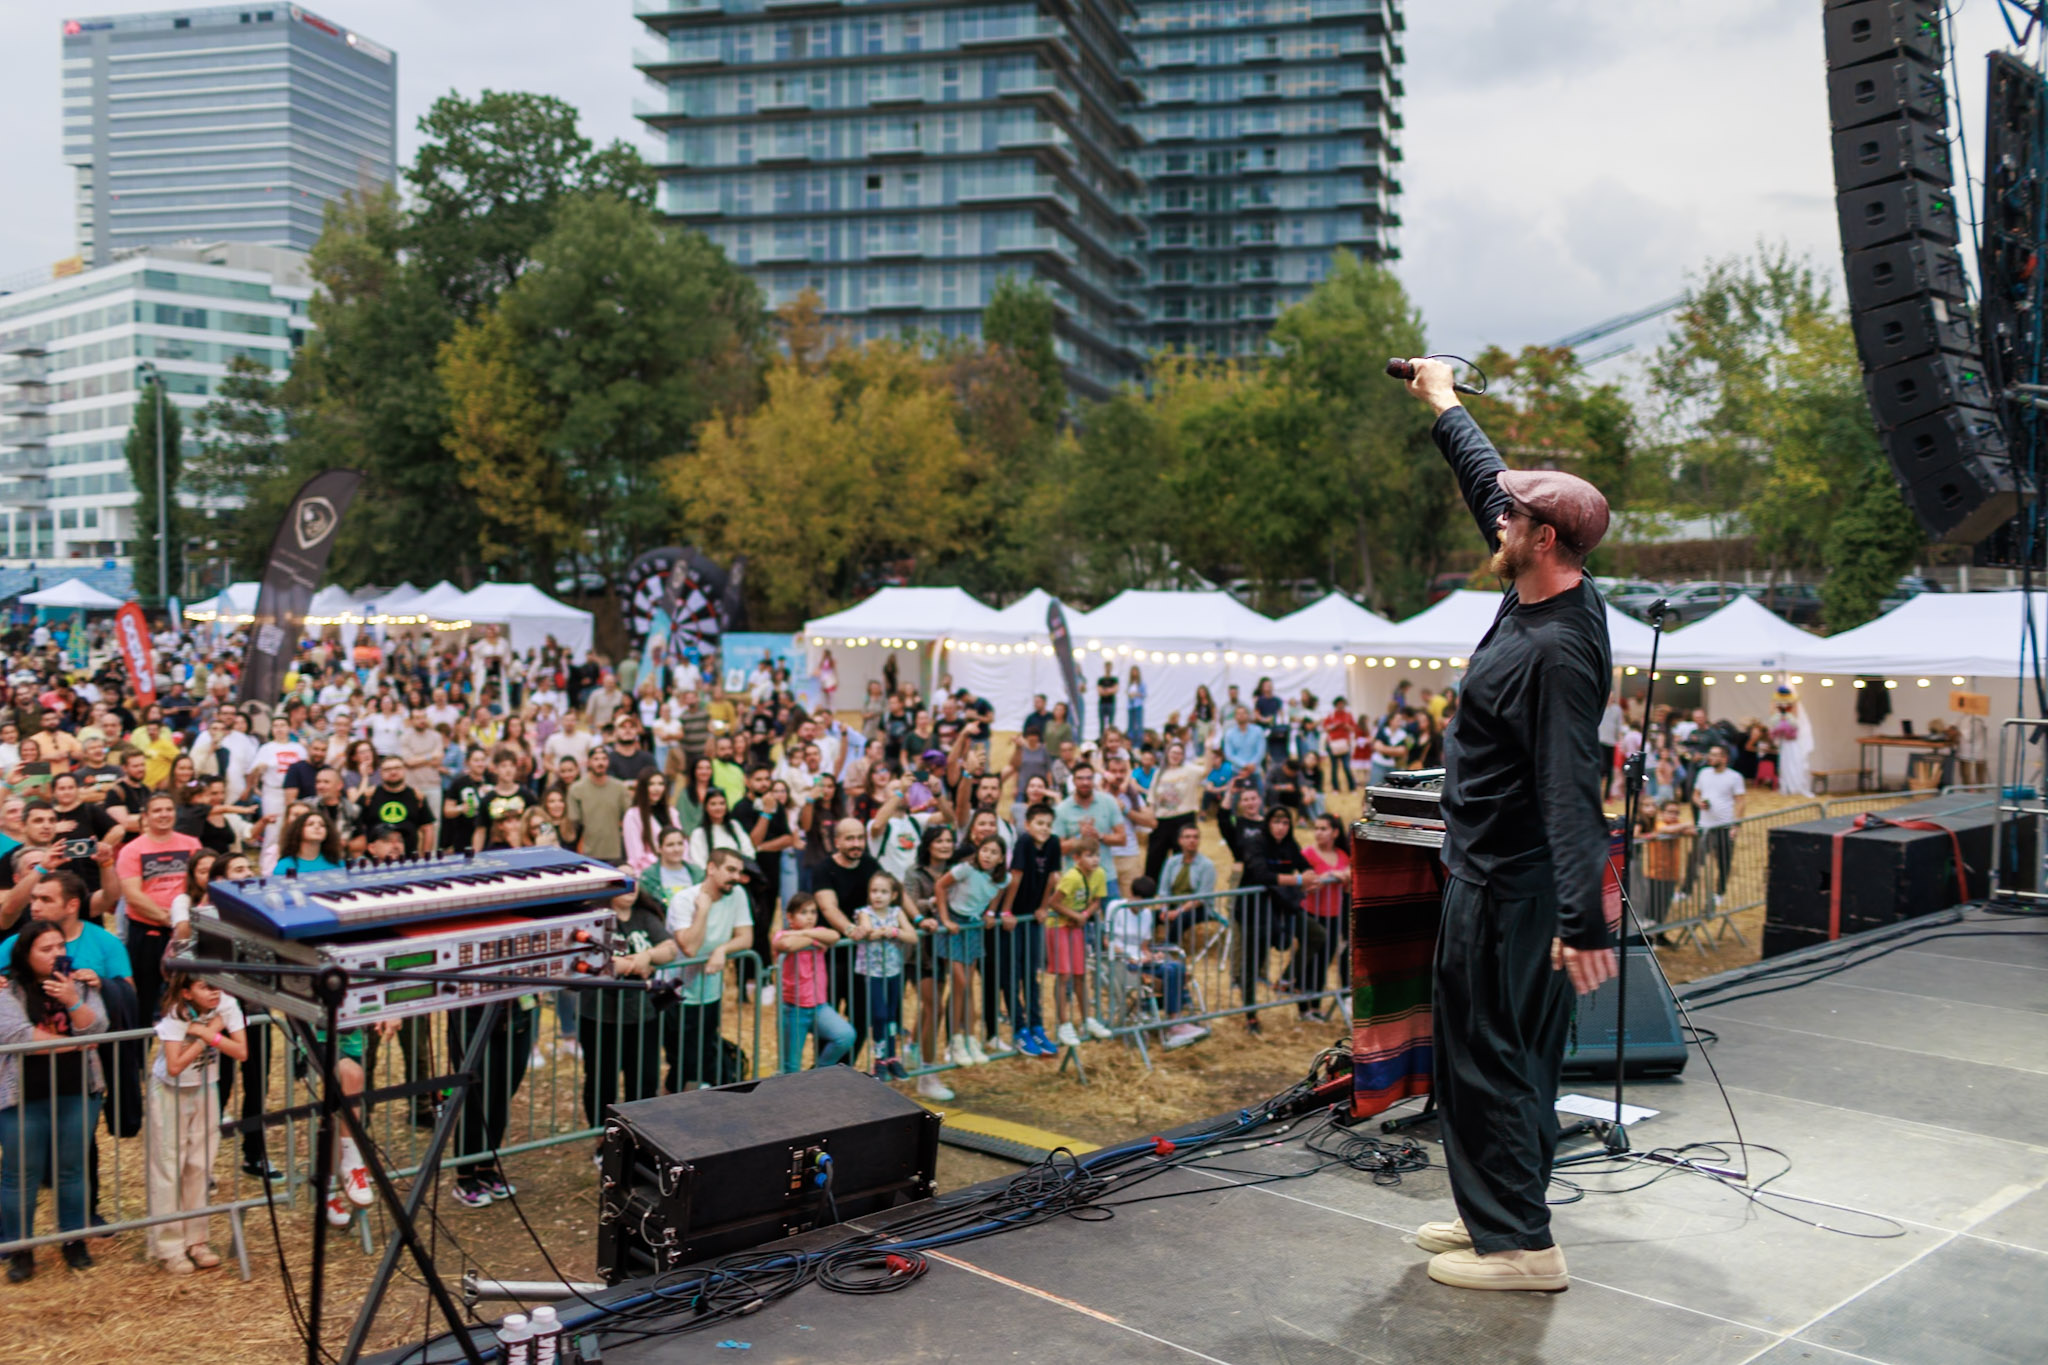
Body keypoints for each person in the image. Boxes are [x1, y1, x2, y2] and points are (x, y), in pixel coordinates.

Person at [1397, 357, 1618, 1293]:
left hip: (1515, 890)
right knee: (1482, 1057)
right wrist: (1443, 401)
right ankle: (1492, 1207)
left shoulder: (1558, 651)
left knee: (1497, 1060)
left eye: (1513, 517)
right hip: (1487, 874)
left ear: (1544, 537)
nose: (1498, 518)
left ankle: (1525, 1247)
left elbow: (1572, 789)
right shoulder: (1542, 587)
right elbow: (1486, 479)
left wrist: (1580, 921)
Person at [0, 920, 108, 1280]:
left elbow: (99, 1027)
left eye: (60, 946)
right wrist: (76, 1043)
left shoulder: (80, 984)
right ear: (25, 954)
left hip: (77, 1091)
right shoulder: (7, 988)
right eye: (46, 949)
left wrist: (72, 1000)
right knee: (20, 1174)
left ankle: (73, 1241)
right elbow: (18, 1036)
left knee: (72, 1170)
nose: (56, 954)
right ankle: (20, 1249)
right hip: (22, 1097)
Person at [146, 970, 248, 1272]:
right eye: (206, 987)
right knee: (169, 1166)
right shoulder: (176, 1012)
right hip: (170, 1091)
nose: (214, 992)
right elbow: (174, 1065)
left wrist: (208, 1034)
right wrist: (207, 1039)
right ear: (187, 992)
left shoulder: (226, 1004)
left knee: (200, 1164)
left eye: (217, 985)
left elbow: (241, 1051)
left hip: (206, 1086)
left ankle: (197, 1240)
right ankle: (169, 1247)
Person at [577, 887, 678, 1153]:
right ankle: (604, 1142)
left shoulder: (644, 916)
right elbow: (581, 956)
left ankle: (640, 1141)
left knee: (644, 1079)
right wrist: (620, 965)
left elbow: (669, 948)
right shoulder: (594, 918)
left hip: (642, 1014)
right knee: (602, 1081)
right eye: (623, 881)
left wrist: (647, 956)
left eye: (634, 881)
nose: (630, 888)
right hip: (600, 1015)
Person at [114, 793, 201, 1024]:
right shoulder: (132, 850)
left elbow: (200, 883)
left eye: (168, 809)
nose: (164, 814)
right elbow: (133, 895)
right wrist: (169, 919)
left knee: (190, 995)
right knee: (145, 998)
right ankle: (141, 1045)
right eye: (157, 810)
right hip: (148, 933)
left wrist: (183, 922)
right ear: (146, 816)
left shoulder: (192, 844)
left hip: (187, 931)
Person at [1105, 876, 1207, 1049]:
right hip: (1123, 961)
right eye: (1139, 901)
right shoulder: (1115, 908)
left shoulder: (1146, 914)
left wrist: (1153, 955)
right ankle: (1173, 1024)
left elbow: (1144, 946)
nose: (1141, 907)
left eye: (1145, 903)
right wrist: (1130, 956)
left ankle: (1174, 1021)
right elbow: (1108, 941)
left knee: (1177, 967)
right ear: (1131, 894)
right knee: (1172, 970)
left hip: (1141, 960)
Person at [935, 834, 1007, 1065]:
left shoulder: (1001, 879)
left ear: (1001, 858)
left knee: (968, 986)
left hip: (973, 926)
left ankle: (970, 1038)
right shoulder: (965, 869)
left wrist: (990, 913)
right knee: (960, 983)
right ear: (978, 852)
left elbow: (997, 895)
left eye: (994, 852)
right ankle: (954, 1040)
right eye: (985, 850)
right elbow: (940, 885)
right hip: (955, 924)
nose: (988, 856)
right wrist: (945, 919)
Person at [772, 893, 854, 1072]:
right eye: (803, 912)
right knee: (791, 1065)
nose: (810, 917)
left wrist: (803, 933)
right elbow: (787, 945)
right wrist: (814, 939)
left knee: (845, 1035)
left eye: (813, 912)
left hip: (819, 1006)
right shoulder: (782, 935)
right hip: (793, 1008)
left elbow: (834, 935)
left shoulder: (817, 932)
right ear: (790, 917)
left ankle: (819, 1071)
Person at [1045, 841, 1113, 1048]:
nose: (1095, 860)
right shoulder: (1072, 877)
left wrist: (1083, 915)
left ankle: (1087, 1019)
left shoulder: (1100, 874)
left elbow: (1097, 901)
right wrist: (1075, 915)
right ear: (1077, 858)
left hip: (1076, 926)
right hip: (1058, 926)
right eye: (1089, 855)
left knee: (1080, 974)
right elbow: (1053, 902)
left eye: (1097, 855)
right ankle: (1063, 1023)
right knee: (1064, 974)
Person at [854, 871, 916, 1080]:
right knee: (879, 1015)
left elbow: (912, 936)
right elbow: (868, 931)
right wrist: (883, 931)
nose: (878, 896)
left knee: (891, 1016)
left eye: (883, 892)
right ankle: (879, 1058)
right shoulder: (864, 912)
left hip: (893, 970)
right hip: (872, 972)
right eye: (874, 891)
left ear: (893, 895)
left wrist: (895, 932)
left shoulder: (897, 912)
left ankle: (892, 1057)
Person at [1295, 813, 1352, 1018]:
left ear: (1335, 833)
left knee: (1324, 962)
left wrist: (1345, 877)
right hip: (1311, 913)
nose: (1318, 833)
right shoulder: (1307, 854)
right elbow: (1302, 883)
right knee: (1309, 961)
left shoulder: (1343, 856)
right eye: (1316, 828)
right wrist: (1327, 877)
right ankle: (1303, 1007)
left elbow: (1348, 885)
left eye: (1323, 829)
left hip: (1333, 914)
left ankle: (1316, 1006)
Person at [1683, 743, 1745, 909]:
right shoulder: (1703, 773)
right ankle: (1685, 890)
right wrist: (1699, 802)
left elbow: (1740, 802)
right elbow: (1695, 794)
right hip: (1704, 825)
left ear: (1724, 758)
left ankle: (1719, 893)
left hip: (1724, 826)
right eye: (1710, 754)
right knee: (1695, 859)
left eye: (1715, 755)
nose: (1711, 757)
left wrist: (1736, 825)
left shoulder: (1734, 777)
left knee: (1724, 862)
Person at [361, 754, 435, 856]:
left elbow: (428, 828)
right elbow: (358, 827)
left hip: (409, 858)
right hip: (376, 859)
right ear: (380, 773)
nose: (393, 772)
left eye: (397, 768)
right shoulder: (369, 796)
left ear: (404, 770)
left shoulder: (417, 796)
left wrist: (425, 857)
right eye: (387, 769)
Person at [568, 747, 630, 864]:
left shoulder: (620, 788)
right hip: (587, 853)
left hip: (615, 852)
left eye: (604, 759)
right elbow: (574, 822)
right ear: (588, 762)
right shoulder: (576, 789)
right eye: (596, 759)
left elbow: (628, 817)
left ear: (608, 762)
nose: (600, 763)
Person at [622, 770, 678, 873]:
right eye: (651, 784)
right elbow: (636, 855)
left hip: (675, 870)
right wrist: (663, 865)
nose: (657, 788)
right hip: (648, 873)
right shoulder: (633, 815)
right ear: (643, 787)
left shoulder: (671, 812)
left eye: (660, 784)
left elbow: (682, 843)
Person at [272, 808, 342, 876]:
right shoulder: (284, 866)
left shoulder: (338, 864)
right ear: (298, 830)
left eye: (322, 825)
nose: (317, 827)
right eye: (310, 824)